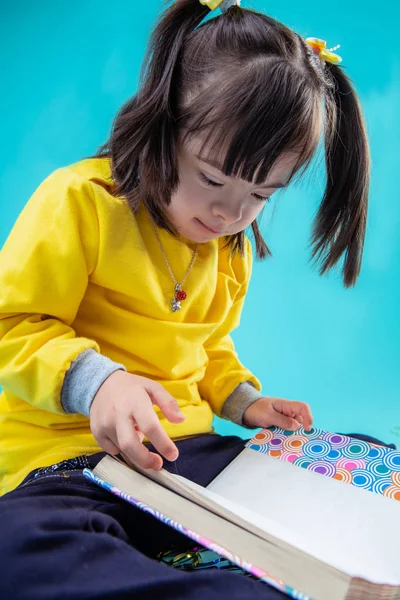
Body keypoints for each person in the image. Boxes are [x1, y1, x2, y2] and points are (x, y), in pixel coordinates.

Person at [0, 0, 382, 598]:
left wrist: (244, 401)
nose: (231, 213)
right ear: (165, 123)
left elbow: (207, 345)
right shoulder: (81, 202)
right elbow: (13, 323)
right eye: (211, 177)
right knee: (19, 548)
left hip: (188, 457)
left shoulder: (230, 247)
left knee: (362, 465)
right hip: (70, 464)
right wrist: (100, 382)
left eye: (260, 193)